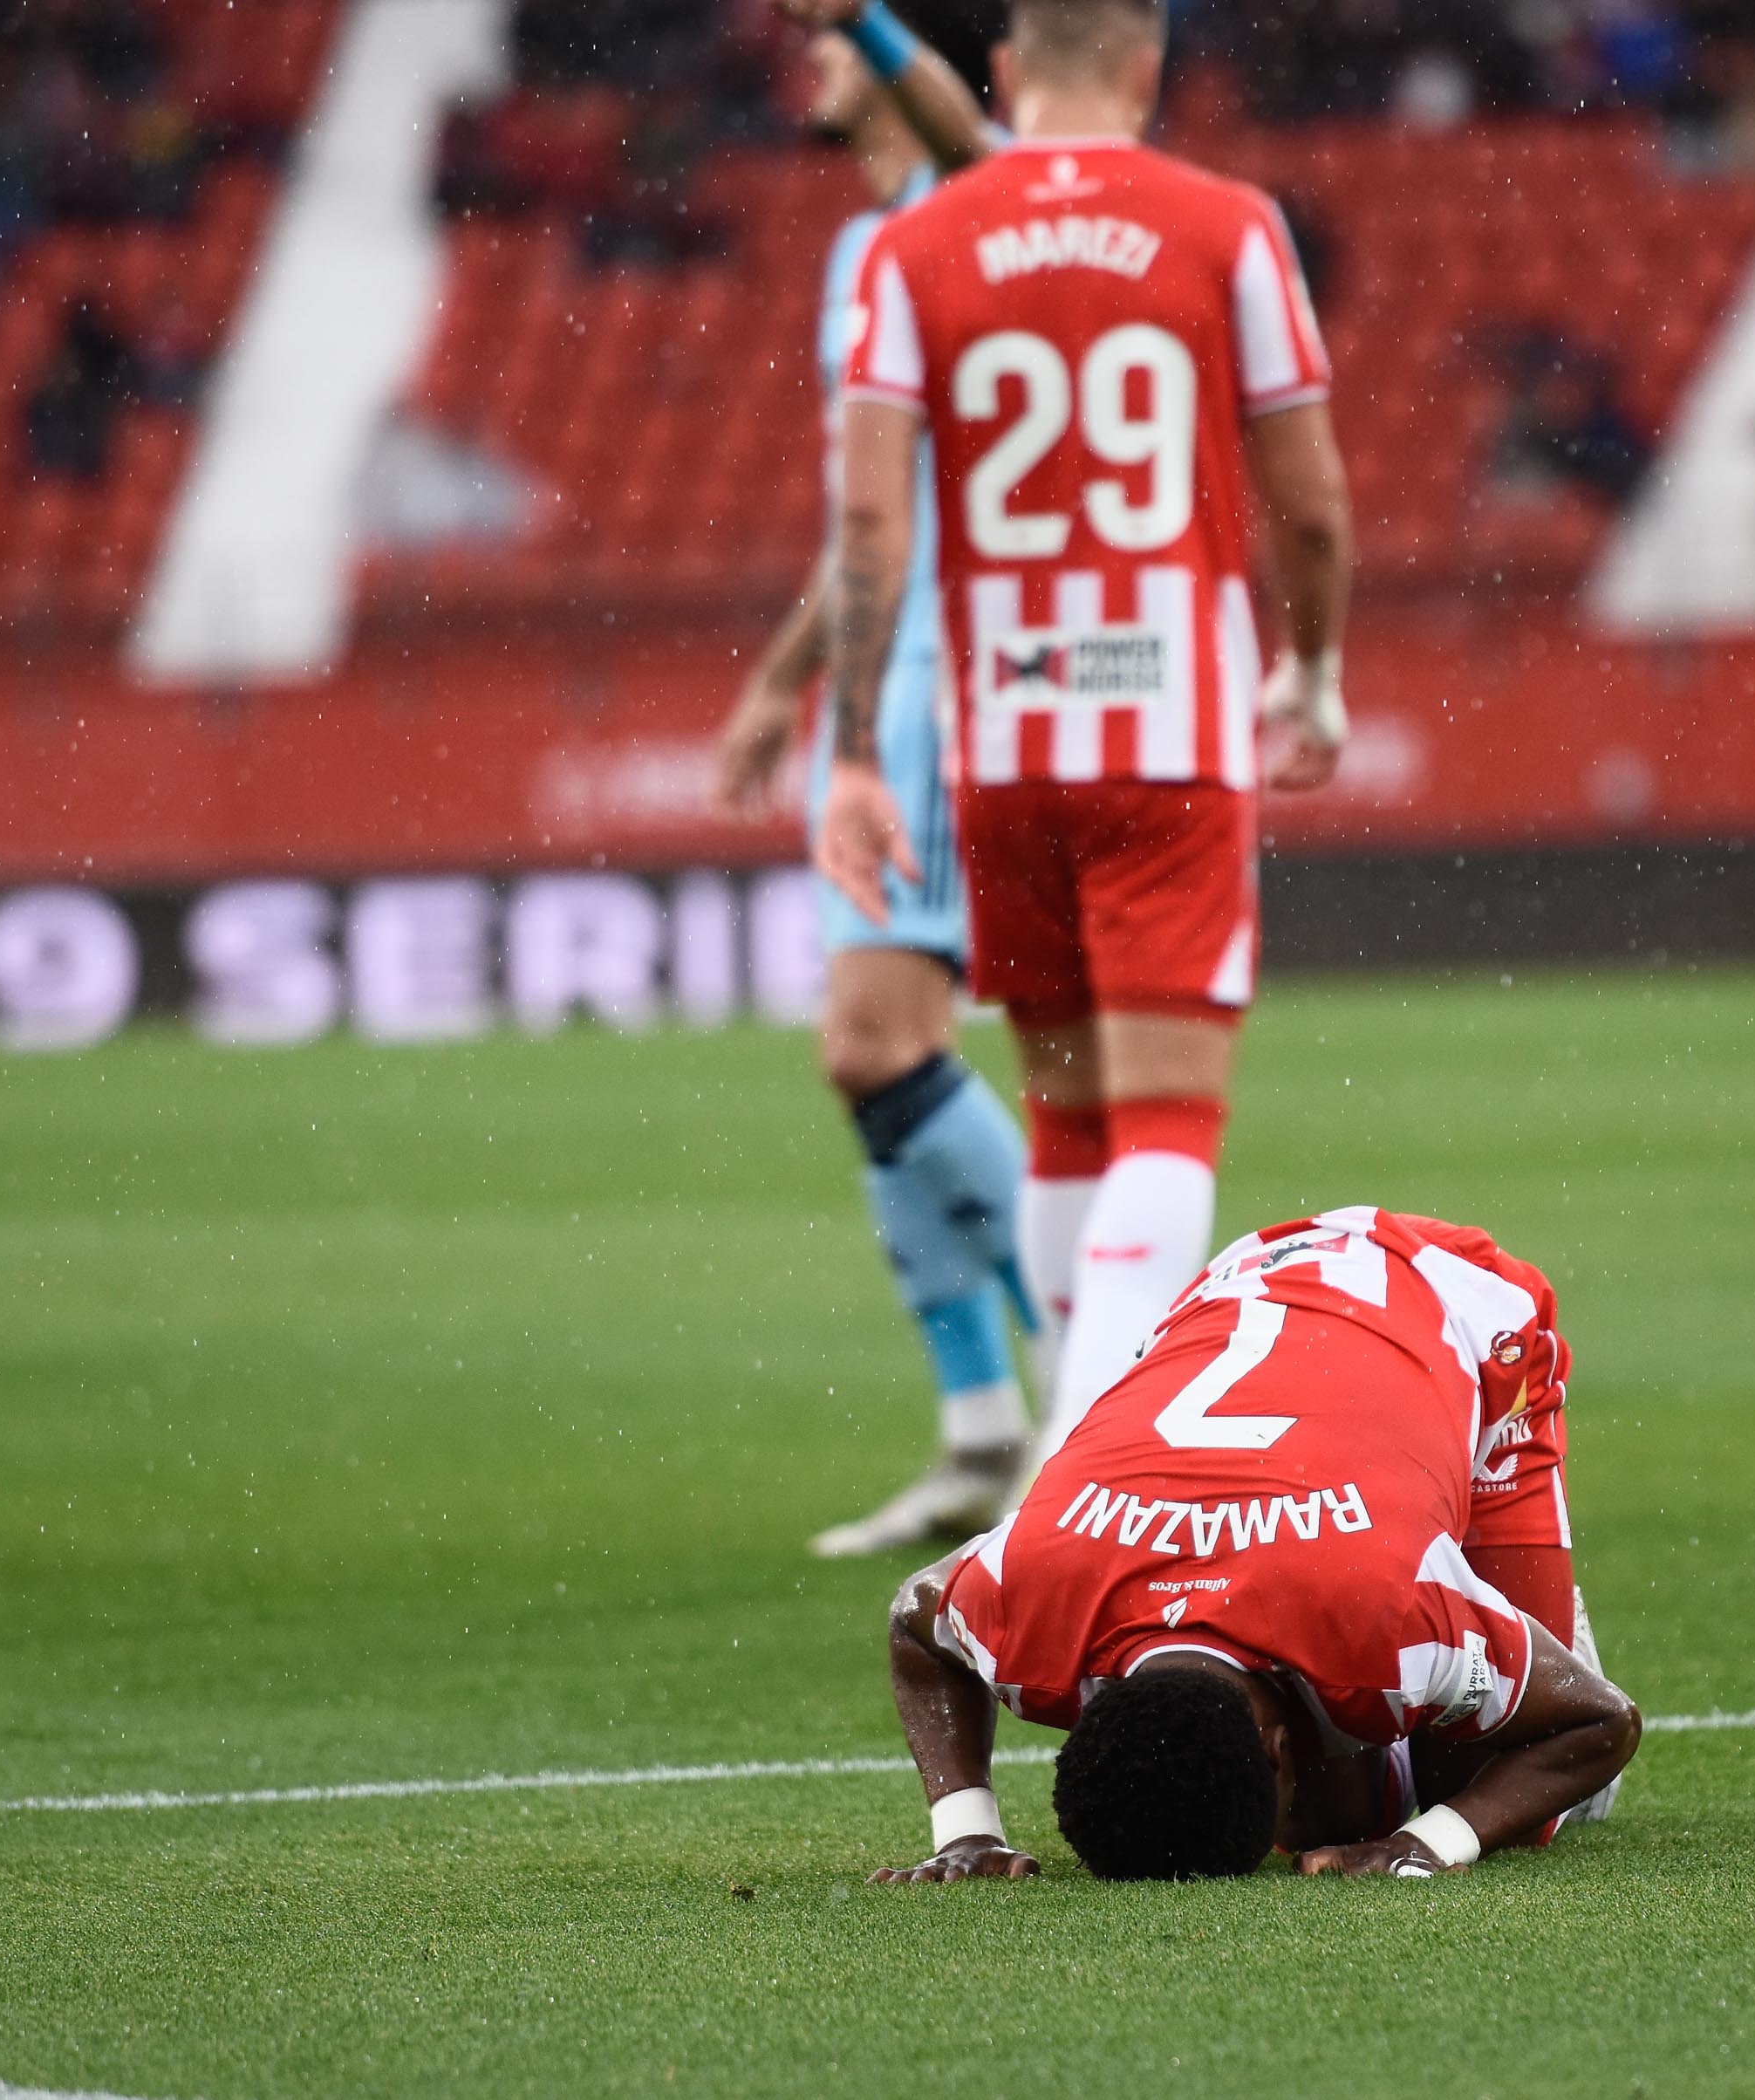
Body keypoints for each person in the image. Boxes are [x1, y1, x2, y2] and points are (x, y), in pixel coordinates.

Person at [818, 0, 1356, 1460]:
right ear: (1148, 68)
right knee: (1169, 1123)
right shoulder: (1227, 226)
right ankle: (1085, 1465)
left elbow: (870, 515)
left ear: (1005, 71)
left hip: (1003, 744)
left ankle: (1060, 1450)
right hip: (1168, 737)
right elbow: (1306, 500)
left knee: (1066, 1117)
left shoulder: (911, 247)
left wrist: (858, 746)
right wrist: (1312, 671)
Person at [873, 1207, 1639, 1881]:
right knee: (1343, 1804)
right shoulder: (1029, 1594)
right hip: (1239, 1293)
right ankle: (1443, 1682)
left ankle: (1527, 1634)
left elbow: (1602, 1722)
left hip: (1459, 1306)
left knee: (1486, 1803)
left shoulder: (1387, 1609)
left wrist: (1435, 1840)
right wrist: (965, 1833)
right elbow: (916, 1614)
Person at [714, 0, 1034, 1560]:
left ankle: (1118, 1386)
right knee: (868, 1061)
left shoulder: (979, 215)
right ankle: (981, 1423)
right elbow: (869, 511)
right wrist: (790, 678)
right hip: (878, 668)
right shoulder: (861, 256)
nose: (815, 59)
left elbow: (986, 148)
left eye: (844, 41)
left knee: (873, 1042)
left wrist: (872, 17)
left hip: (949, 676)